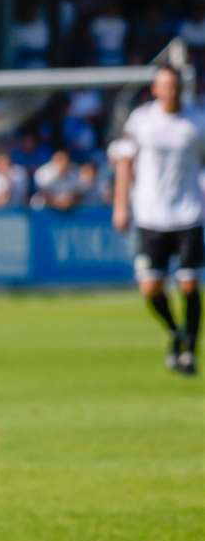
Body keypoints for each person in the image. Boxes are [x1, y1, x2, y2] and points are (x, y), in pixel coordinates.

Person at [110, 64, 204, 375]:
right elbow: (124, 163)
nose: (170, 91)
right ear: (155, 89)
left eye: (174, 85)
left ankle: (189, 349)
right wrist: (120, 205)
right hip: (150, 214)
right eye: (164, 85)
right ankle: (175, 331)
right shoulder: (141, 121)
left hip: (188, 212)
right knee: (151, 288)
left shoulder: (196, 121)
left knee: (189, 284)